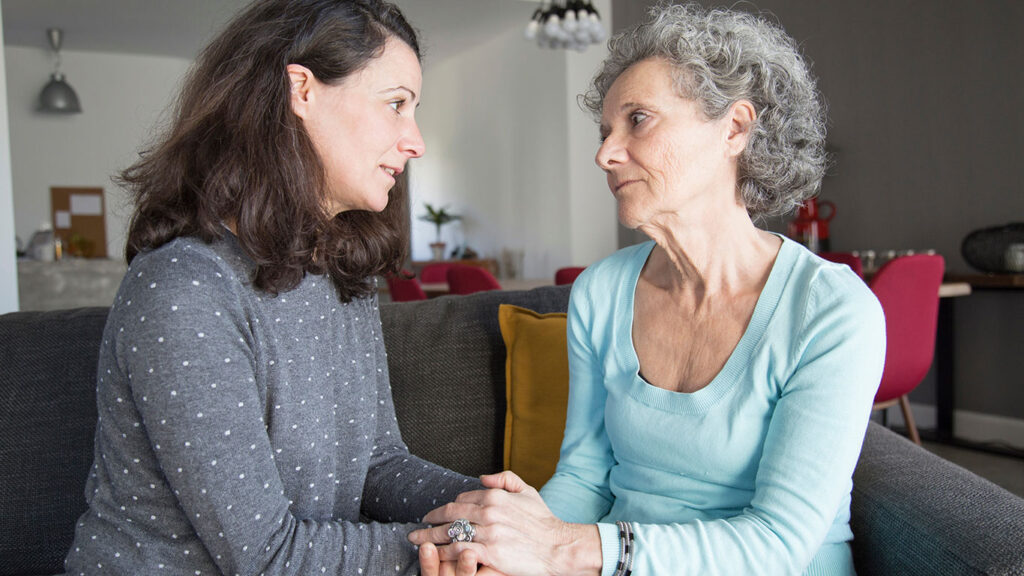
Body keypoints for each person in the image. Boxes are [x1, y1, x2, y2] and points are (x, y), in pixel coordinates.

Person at [411, 3, 886, 575]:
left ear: (735, 127)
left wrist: (568, 549)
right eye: (605, 130)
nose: (605, 153)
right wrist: (510, 554)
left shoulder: (830, 310)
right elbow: (585, 476)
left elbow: (779, 543)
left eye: (638, 119)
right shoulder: (602, 291)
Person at [63, 1, 484, 574]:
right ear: (302, 90)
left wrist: (489, 510)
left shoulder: (340, 274)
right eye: (396, 105)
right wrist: (464, 542)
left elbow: (377, 464)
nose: (416, 141)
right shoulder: (184, 290)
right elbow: (265, 556)